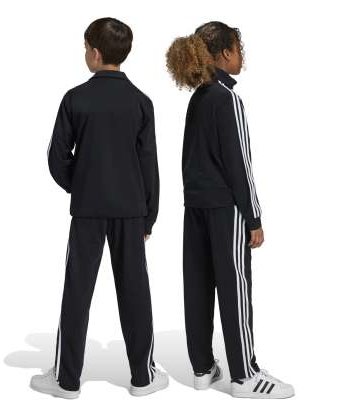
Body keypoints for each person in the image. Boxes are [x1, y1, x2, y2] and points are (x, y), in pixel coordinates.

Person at [30, 17, 168, 399]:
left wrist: (84, 185)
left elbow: (57, 157)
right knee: (135, 290)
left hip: (88, 210)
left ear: (93, 52)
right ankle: (143, 378)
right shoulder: (141, 102)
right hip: (131, 211)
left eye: (84, 48)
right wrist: (150, 216)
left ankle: (67, 381)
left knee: (77, 291)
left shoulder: (75, 99)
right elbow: (149, 165)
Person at [166, 21, 294, 399]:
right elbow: (239, 164)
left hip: (195, 208)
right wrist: (253, 217)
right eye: (239, 49)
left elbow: (189, 159)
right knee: (235, 287)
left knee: (198, 286)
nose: (242, 57)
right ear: (224, 53)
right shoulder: (227, 99)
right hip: (225, 210)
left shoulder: (198, 97)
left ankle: (202, 368)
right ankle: (244, 375)